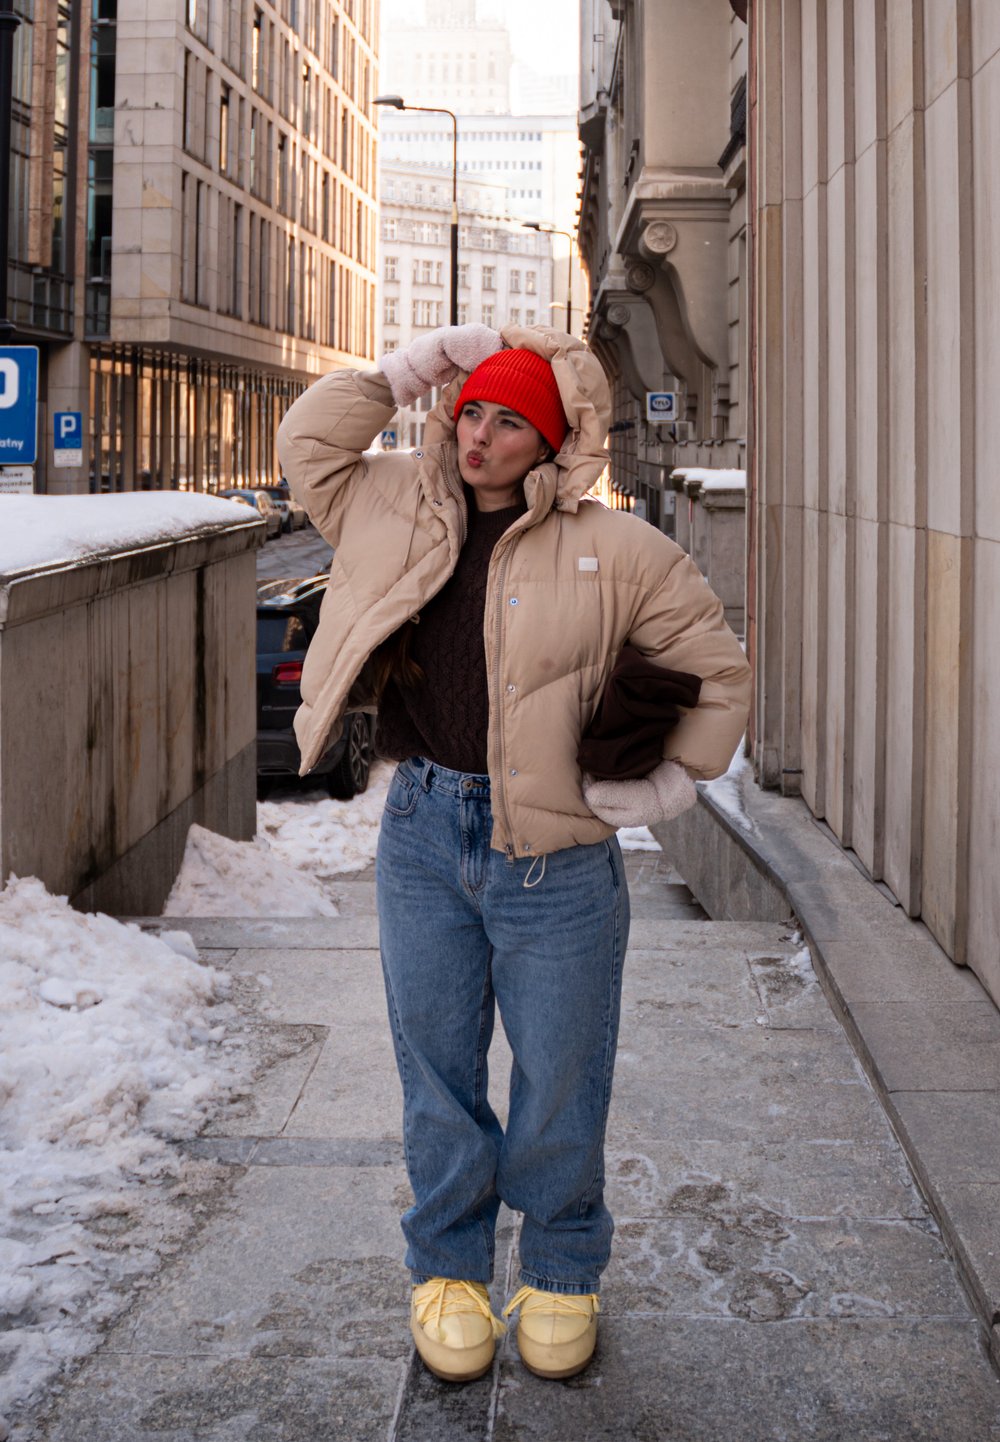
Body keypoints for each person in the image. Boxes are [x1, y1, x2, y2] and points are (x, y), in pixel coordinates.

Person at [277, 323, 750, 1384]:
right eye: (472, 412)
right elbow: (308, 443)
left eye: (510, 421)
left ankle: (559, 1271)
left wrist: (664, 786)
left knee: (559, 1082)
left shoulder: (616, 547)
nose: (481, 435)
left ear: (552, 443)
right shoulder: (393, 497)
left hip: (559, 861)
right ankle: (445, 1270)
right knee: (436, 1076)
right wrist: (411, 367)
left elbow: (720, 672)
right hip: (423, 837)